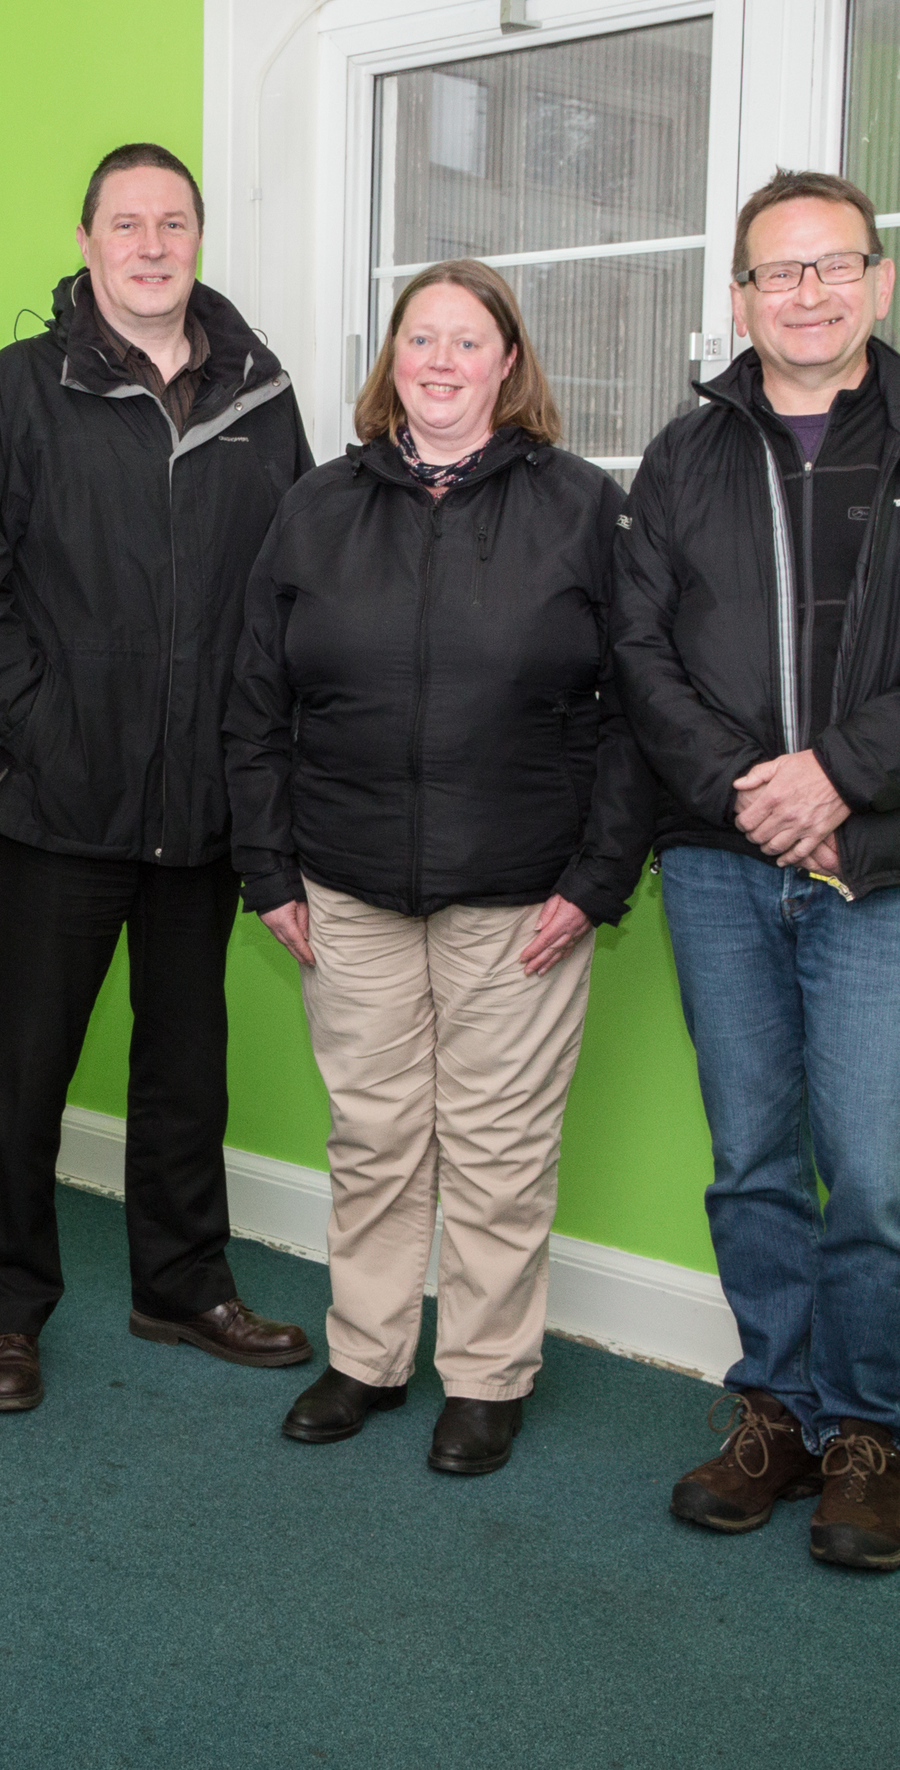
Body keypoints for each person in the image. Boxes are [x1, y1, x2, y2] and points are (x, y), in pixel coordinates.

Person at [613, 170, 900, 1573]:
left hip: (893, 867)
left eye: (832, 265)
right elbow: (644, 655)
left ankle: (866, 1435)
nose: (806, 292)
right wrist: (751, 789)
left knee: (877, 1172)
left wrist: (838, 776)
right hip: (722, 864)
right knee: (750, 1162)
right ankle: (777, 1414)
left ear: (881, 281)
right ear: (739, 298)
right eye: (776, 273)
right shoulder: (686, 458)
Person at [0, 142, 316, 1413]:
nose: (152, 245)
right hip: (62, 806)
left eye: (174, 223)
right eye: (127, 224)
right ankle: (6, 1317)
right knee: (26, 1072)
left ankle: (183, 1285)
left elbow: (290, 599)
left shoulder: (263, 395)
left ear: (199, 241)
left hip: (203, 806)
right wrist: (43, 728)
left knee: (188, 1068)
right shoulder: (21, 390)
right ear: (87, 243)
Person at [225, 260, 651, 1476]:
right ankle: (364, 1355)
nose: (445, 362)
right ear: (392, 358)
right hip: (346, 886)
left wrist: (597, 879)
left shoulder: (583, 509)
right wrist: (269, 870)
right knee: (372, 1140)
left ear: (509, 364)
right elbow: (251, 707)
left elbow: (639, 714)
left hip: (523, 894)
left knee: (500, 1147)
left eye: (471, 342)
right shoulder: (315, 507)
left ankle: (486, 1374)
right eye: (423, 339)